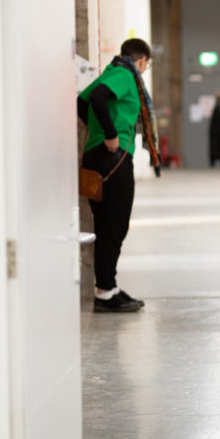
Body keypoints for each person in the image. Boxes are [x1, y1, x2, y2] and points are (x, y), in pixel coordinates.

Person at [77, 38, 153, 313]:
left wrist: (97, 131)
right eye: (146, 66)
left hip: (98, 157)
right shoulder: (124, 75)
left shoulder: (110, 72)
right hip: (114, 159)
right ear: (142, 60)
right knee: (115, 225)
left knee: (107, 225)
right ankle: (106, 292)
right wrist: (110, 135)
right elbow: (97, 98)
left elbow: (81, 102)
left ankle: (108, 288)